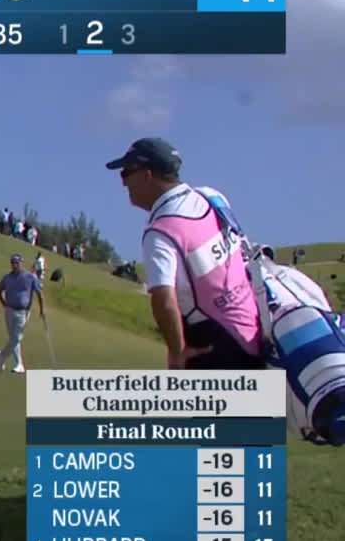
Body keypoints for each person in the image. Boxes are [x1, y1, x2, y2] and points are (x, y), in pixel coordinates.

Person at [108, 137, 264, 370]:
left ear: (147, 175)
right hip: (256, 334)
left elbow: (164, 301)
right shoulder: (212, 197)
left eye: (125, 174)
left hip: (214, 349)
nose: (123, 183)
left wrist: (177, 351)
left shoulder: (160, 232)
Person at [0, 253, 45, 374]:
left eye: (17, 263)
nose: (15, 265)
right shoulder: (7, 278)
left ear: (21, 263)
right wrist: (3, 303)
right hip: (10, 310)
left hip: (23, 311)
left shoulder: (30, 277)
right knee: (14, 338)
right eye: (13, 263)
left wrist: (42, 309)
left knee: (17, 337)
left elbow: (39, 293)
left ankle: (1, 356)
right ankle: (19, 364)